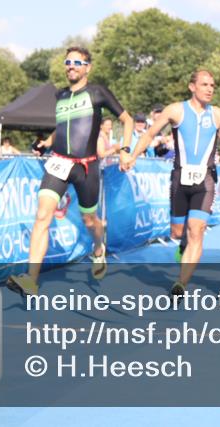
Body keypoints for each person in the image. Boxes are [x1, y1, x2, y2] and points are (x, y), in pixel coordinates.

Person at [7, 46, 134, 296]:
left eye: (78, 62)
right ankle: (31, 280)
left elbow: (127, 120)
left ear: (88, 67)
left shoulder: (98, 92)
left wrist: (126, 149)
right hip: (59, 163)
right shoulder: (61, 95)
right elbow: (62, 128)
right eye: (68, 61)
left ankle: (99, 249)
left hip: (86, 167)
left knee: (90, 221)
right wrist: (47, 143)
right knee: (42, 216)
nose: (72, 66)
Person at [122, 70, 220, 296]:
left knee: (198, 229)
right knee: (177, 232)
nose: (210, 89)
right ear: (192, 87)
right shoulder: (175, 110)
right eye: (204, 84)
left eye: (212, 85)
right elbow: (149, 134)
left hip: (206, 179)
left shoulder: (218, 114)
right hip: (180, 178)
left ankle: (181, 284)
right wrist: (132, 156)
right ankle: (183, 242)